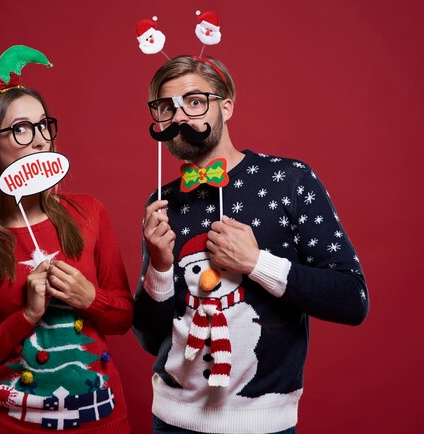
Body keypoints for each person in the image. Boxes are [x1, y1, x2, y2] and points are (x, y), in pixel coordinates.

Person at [132, 55, 369, 434]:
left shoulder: (290, 181)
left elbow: (352, 299)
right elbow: (149, 338)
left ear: (226, 106)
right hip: (171, 420)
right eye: (166, 107)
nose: (180, 118)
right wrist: (160, 267)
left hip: (264, 423)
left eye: (194, 102)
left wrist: (256, 263)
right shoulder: (161, 203)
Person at [0, 46, 133, 433]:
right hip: (12, 423)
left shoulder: (89, 213)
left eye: (44, 125)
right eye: (22, 129)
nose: (41, 140)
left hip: (101, 419)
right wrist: (26, 316)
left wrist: (89, 297)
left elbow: (125, 317)